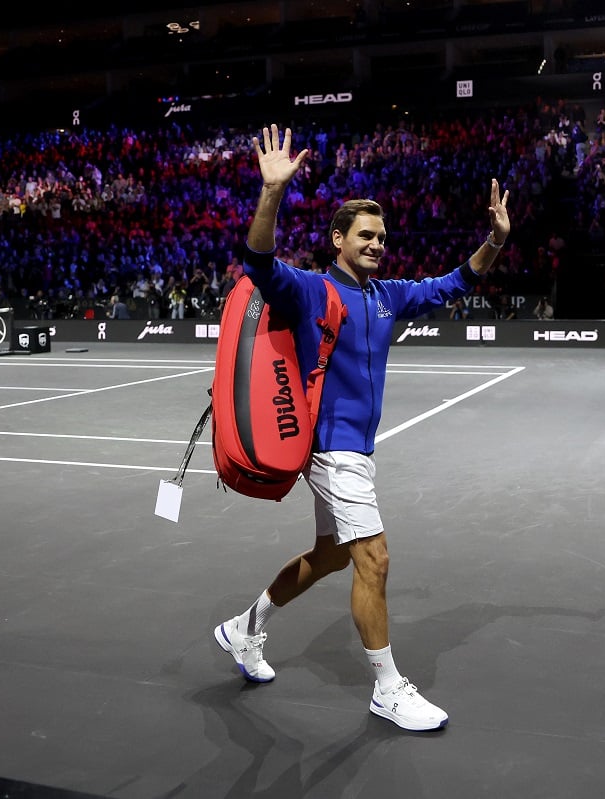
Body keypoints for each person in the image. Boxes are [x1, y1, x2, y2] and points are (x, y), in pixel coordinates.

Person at [212, 124, 510, 732]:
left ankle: (245, 629)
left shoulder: (386, 296)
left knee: (328, 557)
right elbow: (259, 261)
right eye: (366, 235)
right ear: (338, 239)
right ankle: (387, 687)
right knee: (373, 559)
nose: (377, 244)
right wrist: (271, 192)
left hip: (358, 451)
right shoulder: (311, 290)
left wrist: (494, 242)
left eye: (382, 236)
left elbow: (453, 283)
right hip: (330, 450)